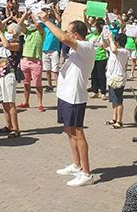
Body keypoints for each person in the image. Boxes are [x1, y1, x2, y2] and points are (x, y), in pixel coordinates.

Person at [40, 11, 96, 187]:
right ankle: (76, 164)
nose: (65, 32)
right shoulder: (73, 50)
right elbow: (64, 38)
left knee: (78, 132)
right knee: (69, 130)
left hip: (75, 97)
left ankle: (86, 173)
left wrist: (46, 21)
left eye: (69, 31)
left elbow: (63, 37)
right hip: (64, 94)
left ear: (75, 35)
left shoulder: (86, 46)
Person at [0, 20, 22, 138]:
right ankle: (8, 125)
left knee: (10, 101)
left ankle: (16, 128)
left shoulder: (16, 44)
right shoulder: (4, 41)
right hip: (0, 72)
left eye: (9, 32)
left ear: (15, 34)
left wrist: (0, 30)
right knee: (3, 101)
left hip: (10, 73)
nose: (7, 33)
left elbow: (7, 45)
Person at [18, 10, 46, 111]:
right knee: (26, 83)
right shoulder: (27, 32)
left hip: (36, 61)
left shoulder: (42, 32)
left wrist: (33, 16)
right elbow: (19, 25)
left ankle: (40, 103)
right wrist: (26, 14)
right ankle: (26, 102)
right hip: (25, 60)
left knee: (38, 84)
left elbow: (38, 26)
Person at [105, 32, 130, 129]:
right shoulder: (114, 50)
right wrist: (105, 36)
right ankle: (114, 118)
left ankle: (120, 121)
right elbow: (104, 45)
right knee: (113, 100)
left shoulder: (124, 51)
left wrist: (111, 39)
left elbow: (114, 49)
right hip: (111, 78)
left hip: (118, 78)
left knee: (118, 100)